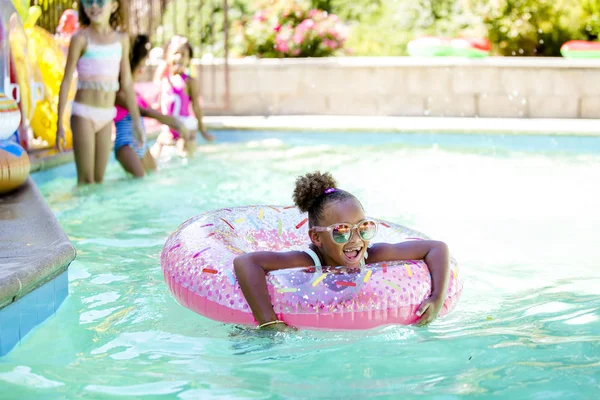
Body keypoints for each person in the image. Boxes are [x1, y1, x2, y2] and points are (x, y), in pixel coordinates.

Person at [234, 171, 451, 331]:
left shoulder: (372, 255)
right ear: (316, 238)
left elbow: (436, 248)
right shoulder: (308, 261)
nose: (355, 239)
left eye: (363, 228)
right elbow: (246, 263)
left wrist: (437, 297)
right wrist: (269, 322)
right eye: (341, 232)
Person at [56, 0, 144, 185]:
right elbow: (65, 81)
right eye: (88, 1)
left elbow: (127, 83)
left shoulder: (121, 39)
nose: (93, 5)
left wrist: (136, 122)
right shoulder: (80, 39)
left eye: (100, 1)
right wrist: (59, 124)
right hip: (83, 114)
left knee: (99, 180)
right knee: (86, 180)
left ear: (113, 5)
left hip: (106, 116)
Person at [113, 34, 191, 177]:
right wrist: (173, 122)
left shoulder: (135, 93)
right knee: (139, 181)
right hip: (125, 146)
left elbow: (151, 109)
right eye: (140, 66)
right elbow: (144, 111)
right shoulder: (119, 93)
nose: (142, 71)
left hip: (141, 145)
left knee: (152, 178)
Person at [150, 35, 214, 159]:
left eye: (183, 54)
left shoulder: (189, 81)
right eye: (175, 53)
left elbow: (196, 105)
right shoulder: (164, 80)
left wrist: (202, 128)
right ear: (167, 57)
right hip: (169, 126)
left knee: (184, 156)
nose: (179, 57)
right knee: (155, 155)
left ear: (189, 60)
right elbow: (160, 104)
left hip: (186, 125)